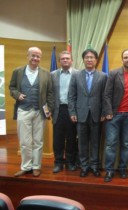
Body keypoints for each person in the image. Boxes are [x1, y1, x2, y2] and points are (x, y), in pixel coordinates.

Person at [9, 47, 54, 177]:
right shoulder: (17, 71)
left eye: (38, 56)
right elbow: (12, 87)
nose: (35, 58)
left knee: (38, 141)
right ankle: (26, 166)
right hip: (23, 110)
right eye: (33, 55)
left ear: (40, 58)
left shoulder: (46, 73)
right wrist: (17, 94)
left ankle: (36, 166)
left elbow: (50, 93)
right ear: (27, 56)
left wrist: (49, 109)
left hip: (40, 111)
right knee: (24, 141)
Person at [103, 49, 128, 182]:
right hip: (113, 115)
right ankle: (109, 170)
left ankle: (122, 169)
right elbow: (107, 94)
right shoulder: (114, 73)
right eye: (125, 57)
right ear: (122, 60)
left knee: (126, 144)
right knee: (111, 144)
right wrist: (108, 112)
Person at [68, 49, 107, 177]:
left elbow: (104, 97)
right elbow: (71, 95)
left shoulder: (103, 76)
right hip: (80, 114)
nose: (89, 59)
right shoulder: (76, 75)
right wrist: (72, 111)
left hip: (96, 115)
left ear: (96, 60)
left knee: (95, 142)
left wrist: (103, 112)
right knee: (82, 142)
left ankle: (95, 166)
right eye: (87, 57)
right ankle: (84, 166)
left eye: (92, 57)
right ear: (83, 60)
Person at [51, 51, 78, 173]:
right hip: (58, 110)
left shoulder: (78, 74)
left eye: (67, 58)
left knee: (72, 138)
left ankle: (70, 162)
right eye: (63, 59)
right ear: (59, 61)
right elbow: (49, 93)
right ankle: (58, 163)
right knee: (58, 139)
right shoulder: (53, 75)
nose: (65, 60)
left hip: (73, 110)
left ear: (71, 60)